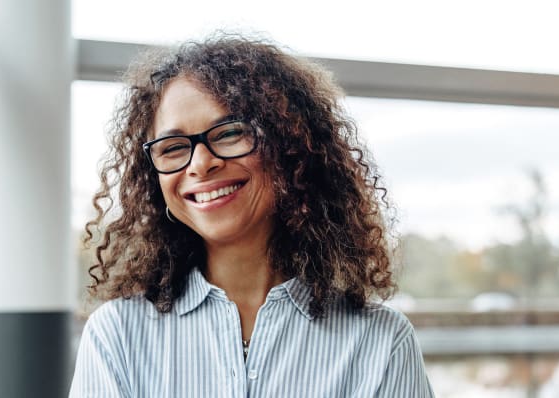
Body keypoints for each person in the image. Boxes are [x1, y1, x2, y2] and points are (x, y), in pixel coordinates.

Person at [69, 34, 435, 397]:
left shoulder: (381, 344)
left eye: (229, 133)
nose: (201, 164)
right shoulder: (117, 335)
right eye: (174, 147)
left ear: (290, 148)